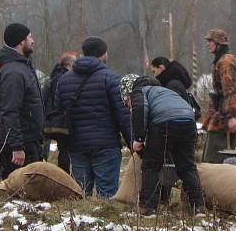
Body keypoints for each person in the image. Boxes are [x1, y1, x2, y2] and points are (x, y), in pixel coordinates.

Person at [56, 37, 131, 198]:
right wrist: (133, 141)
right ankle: (104, 221)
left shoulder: (64, 80)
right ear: (103, 54)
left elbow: (58, 111)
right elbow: (122, 114)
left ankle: (80, 221)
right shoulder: (110, 78)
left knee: (81, 192)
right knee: (107, 194)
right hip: (106, 144)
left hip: (76, 144)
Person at [121, 74, 204, 215]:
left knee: (151, 165)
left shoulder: (139, 91)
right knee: (187, 167)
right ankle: (198, 207)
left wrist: (139, 138)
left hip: (164, 122)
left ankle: (147, 208)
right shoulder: (165, 91)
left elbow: (140, 108)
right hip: (188, 121)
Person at [0, 23, 44, 179]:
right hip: (20, 145)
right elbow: (10, 110)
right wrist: (17, 146)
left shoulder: (22, 67)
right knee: (20, 195)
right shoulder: (14, 72)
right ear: (21, 41)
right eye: (30, 37)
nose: (33, 41)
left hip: (28, 141)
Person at [202, 28, 236, 163]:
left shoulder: (225, 62)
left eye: (210, 41)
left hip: (225, 117)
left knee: (214, 157)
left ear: (218, 43)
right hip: (222, 114)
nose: (208, 44)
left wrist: (230, 116)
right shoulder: (222, 59)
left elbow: (231, 90)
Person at [42, 52, 76, 171]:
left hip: (54, 119)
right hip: (61, 120)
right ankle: (65, 175)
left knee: (63, 150)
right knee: (65, 151)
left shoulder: (54, 76)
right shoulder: (63, 78)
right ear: (70, 64)